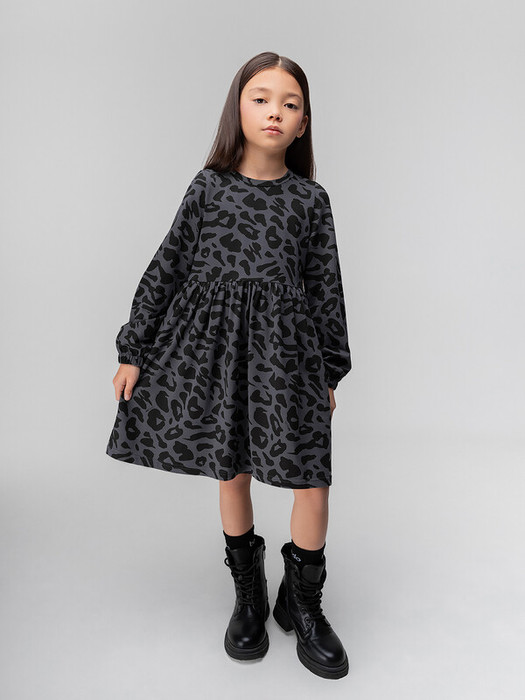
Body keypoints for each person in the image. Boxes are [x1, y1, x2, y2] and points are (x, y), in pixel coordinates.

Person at [106, 51, 352, 680]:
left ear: (303, 123)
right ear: (237, 108)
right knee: (233, 468)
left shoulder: (310, 200)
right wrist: (134, 348)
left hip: (289, 359)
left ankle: (304, 604)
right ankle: (248, 596)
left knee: (311, 480)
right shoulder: (208, 188)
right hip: (219, 355)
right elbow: (167, 266)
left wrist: (330, 369)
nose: (275, 112)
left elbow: (326, 288)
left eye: (290, 104)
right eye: (261, 98)